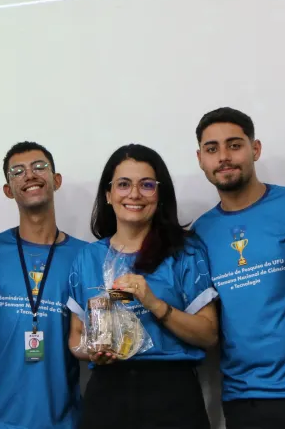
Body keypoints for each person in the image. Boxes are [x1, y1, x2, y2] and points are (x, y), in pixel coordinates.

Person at [191, 107, 285, 429]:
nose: (224, 157)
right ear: (200, 158)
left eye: (234, 145)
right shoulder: (200, 233)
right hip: (243, 399)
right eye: (212, 149)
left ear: (255, 149)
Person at [66, 144, 219, 429]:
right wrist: (95, 351)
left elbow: (208, 334)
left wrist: (155, 303)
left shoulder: (185, 251)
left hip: (172, 393)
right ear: (108, 195)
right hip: (108, 392)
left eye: (146, 185)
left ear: (160, 195)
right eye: (123, 184)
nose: (134, 194)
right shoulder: (88, 258)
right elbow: (76, 337)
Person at [0, 142, 87, 429]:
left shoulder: (87, 256)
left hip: (61, 420)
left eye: (39, 167)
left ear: (56, 180)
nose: (30, 175)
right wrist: (1, 342)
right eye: (18, 171)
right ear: (8, 190)